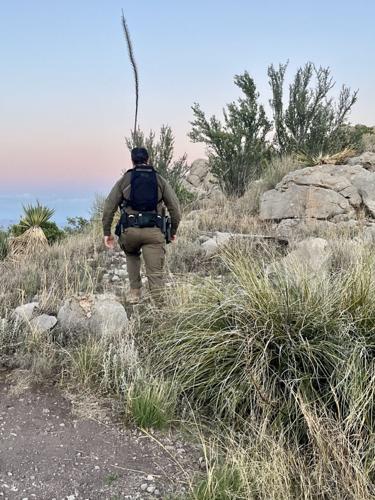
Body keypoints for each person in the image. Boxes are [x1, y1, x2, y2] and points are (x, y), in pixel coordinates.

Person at [102, 147, 181, 304]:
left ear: (132, 161)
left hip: (130, 232)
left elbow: (108, 207)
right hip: (154, 232)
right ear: (148, 159)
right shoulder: (159, 180)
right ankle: (158, 304)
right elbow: (175, 208)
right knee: (155, 273)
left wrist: (107, 232)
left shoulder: (125, 180)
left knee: (131, 254)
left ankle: (135, 293)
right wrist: (173, 231)